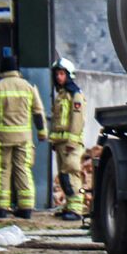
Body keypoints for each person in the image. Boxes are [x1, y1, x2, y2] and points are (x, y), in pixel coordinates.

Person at [0, 48, 46, 220]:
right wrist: (42, 132)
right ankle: (26, 208)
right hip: (24, 138)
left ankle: (1, 209)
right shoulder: (28, 87)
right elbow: (38, 112)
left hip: (2, 138)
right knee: (23, 170)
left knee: (2, 171)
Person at [49, 58, 87, 221]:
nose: (59, 77)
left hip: (70, 145)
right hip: (61, 143)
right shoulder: (61, 95)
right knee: (63, 176)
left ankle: (76, 210)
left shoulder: (75, 95)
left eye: (62, 74)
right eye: (57, 74)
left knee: (71, 174)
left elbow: (77, 120)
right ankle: (69, 206)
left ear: (69, 75)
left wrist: (72, 142)